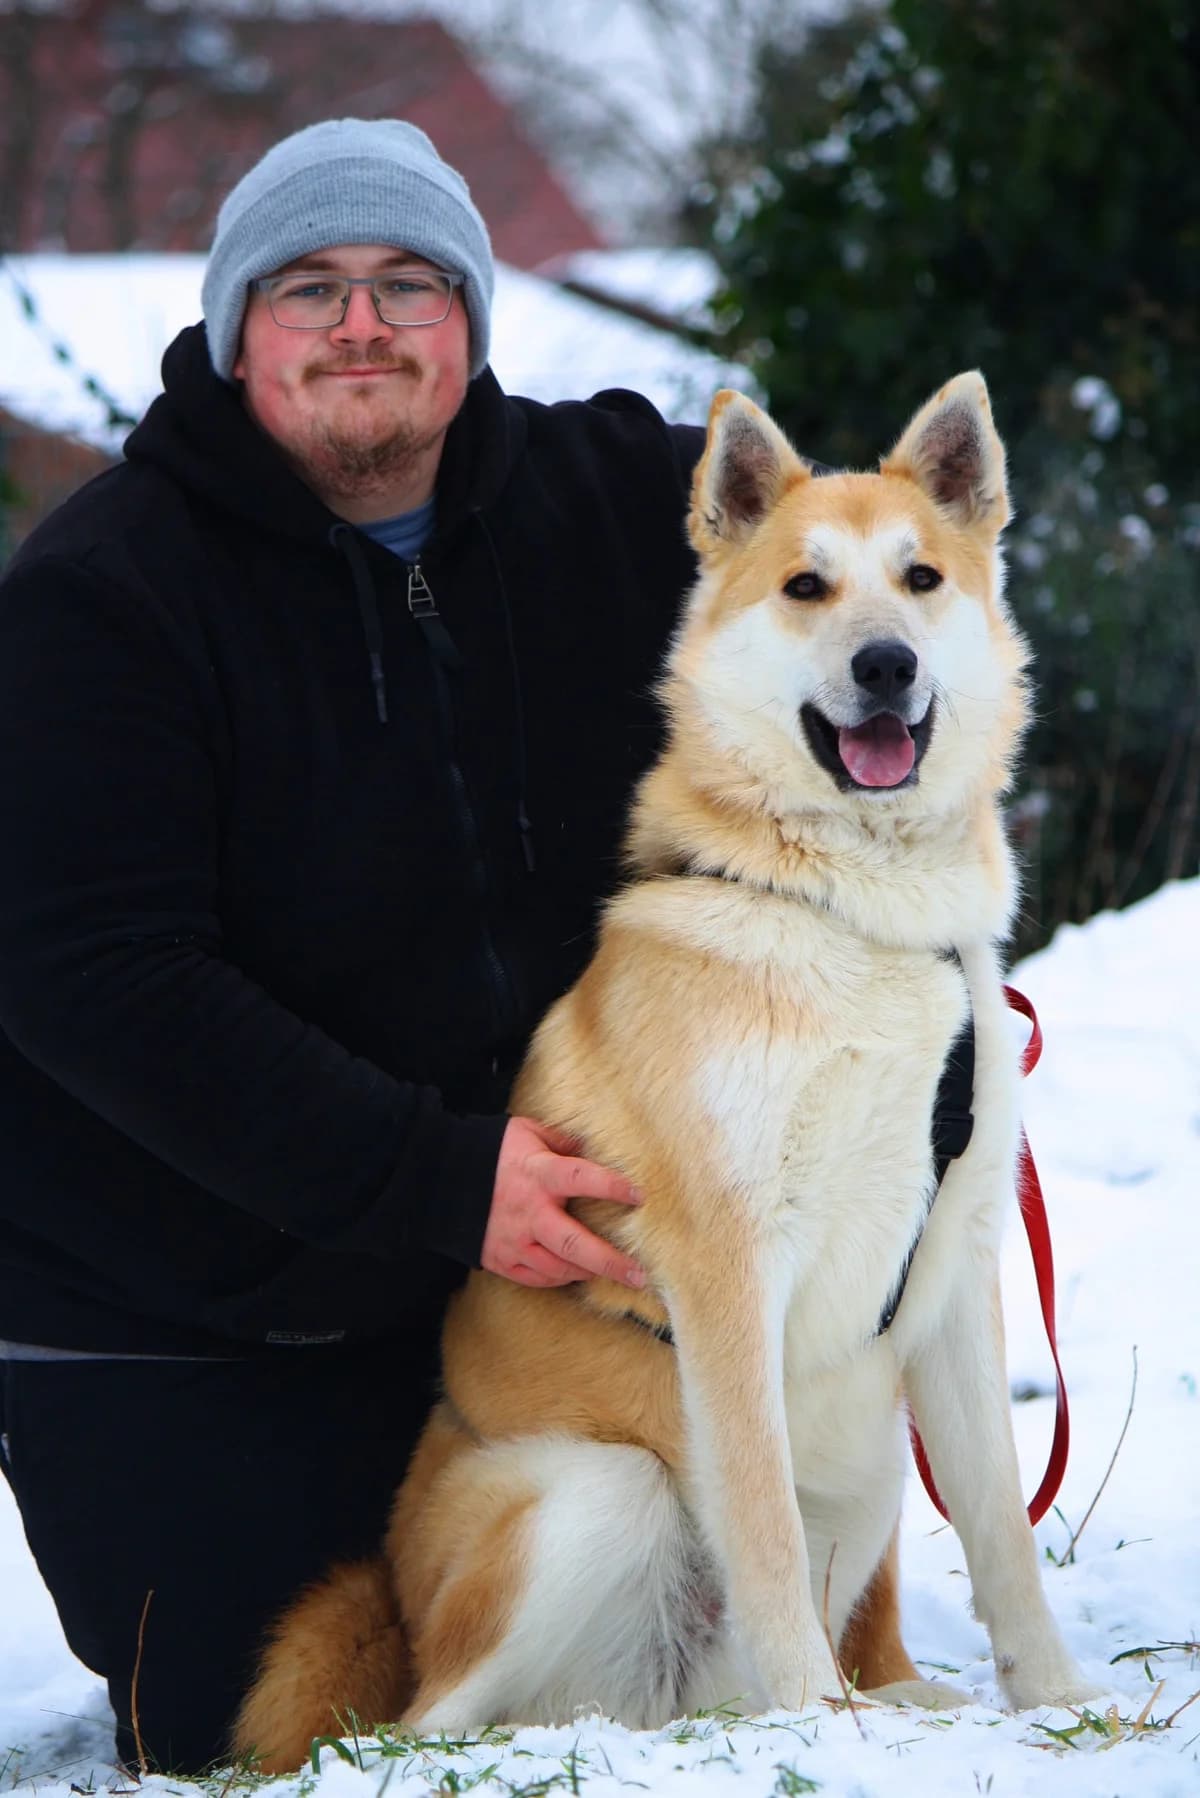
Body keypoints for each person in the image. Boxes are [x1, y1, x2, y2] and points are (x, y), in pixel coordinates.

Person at [0, 118, 708, 1772]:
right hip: (188, 1304)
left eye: (408, 284)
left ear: (470, 323)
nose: (363, 324)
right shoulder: (102, 599)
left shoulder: (627, 503)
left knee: (654, 1657)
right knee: (268, 1716)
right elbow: (94, 976)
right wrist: (442, 1176)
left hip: (530, 1273)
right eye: (310, 288)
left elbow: (875, 615)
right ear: (237, 327)